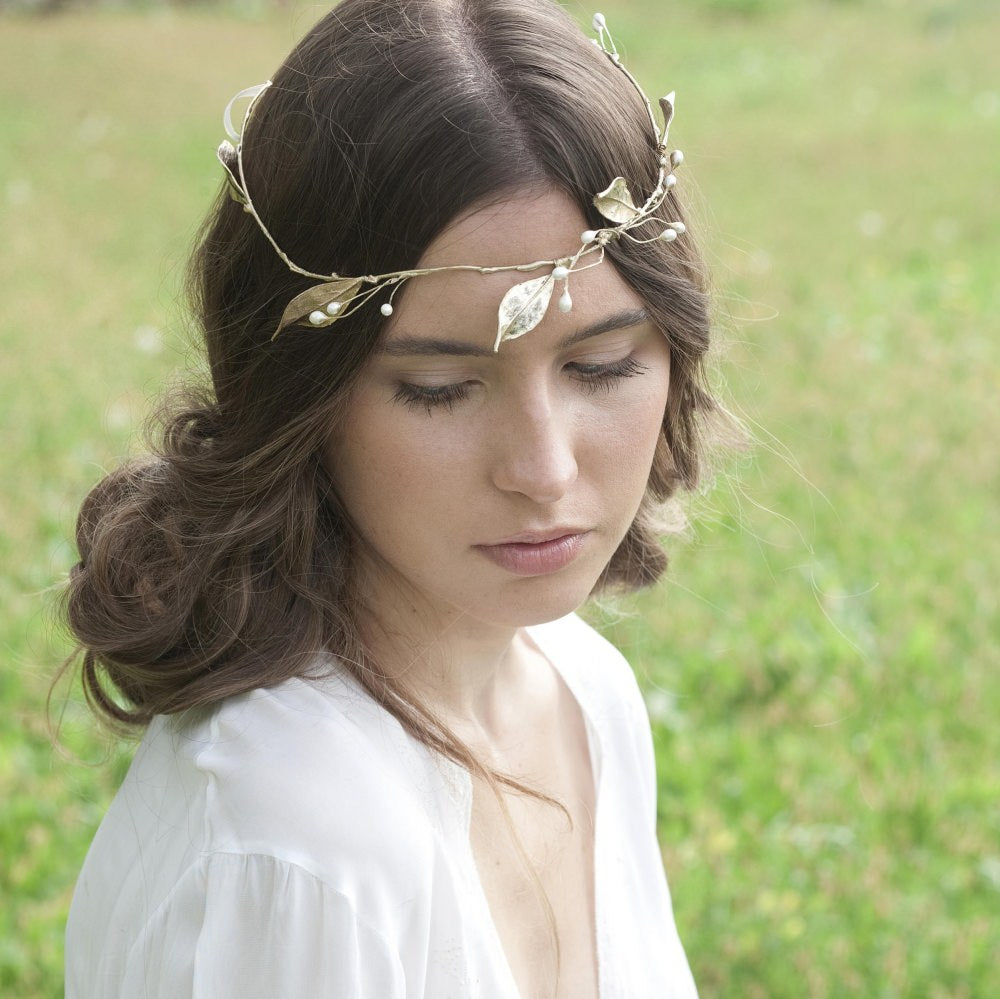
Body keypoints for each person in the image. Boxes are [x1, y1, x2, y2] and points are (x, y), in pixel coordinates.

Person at [61, 0, 726, 995]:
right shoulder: (295, 840)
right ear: (302, 397)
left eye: (600, 367)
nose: (542, 468)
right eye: (439, 388)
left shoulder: (587, 690)